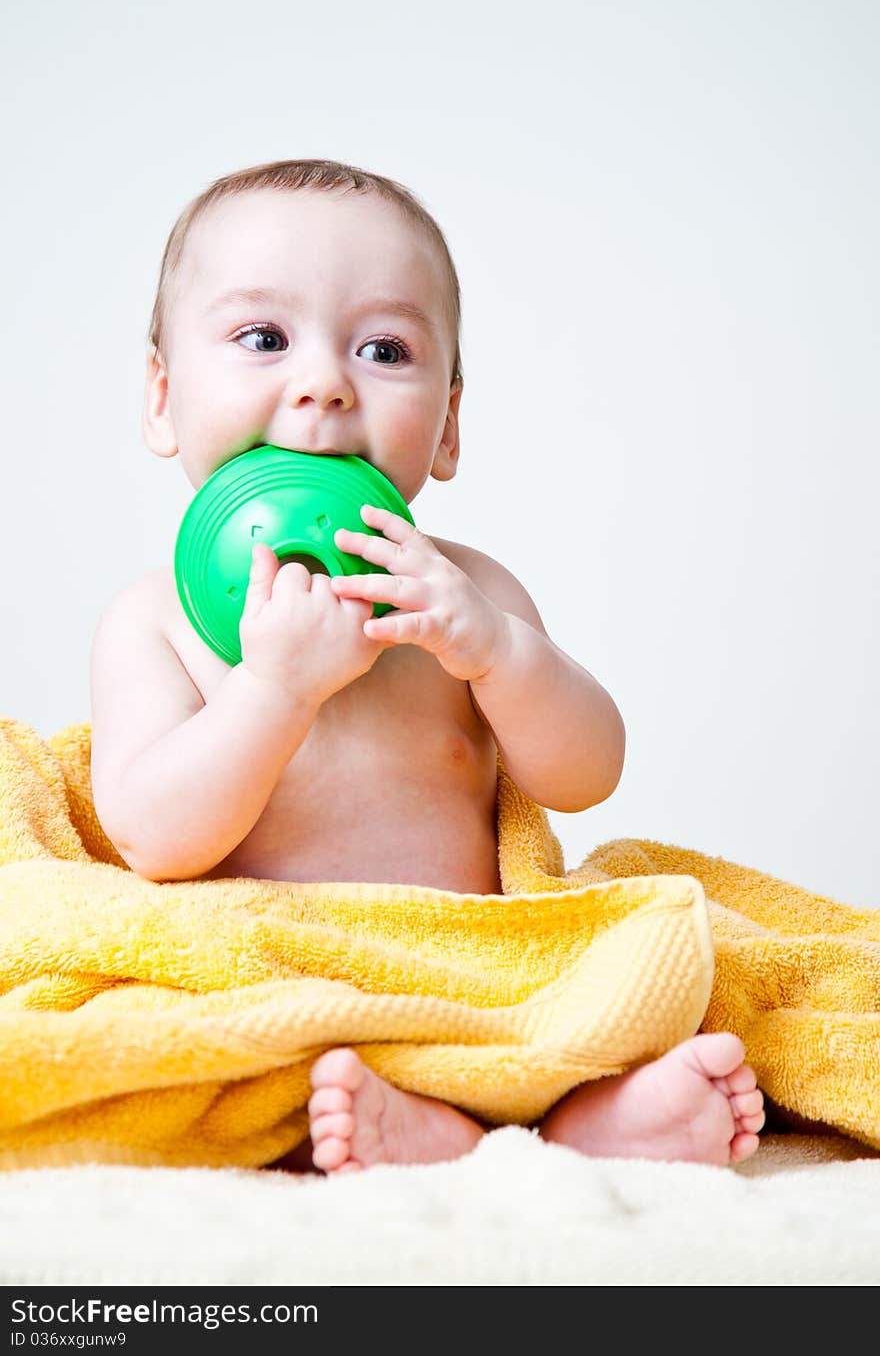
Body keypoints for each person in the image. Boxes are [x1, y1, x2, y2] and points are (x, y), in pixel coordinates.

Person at [89, 158, 765, 1174]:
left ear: (446, 426)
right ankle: (435, 1127)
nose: (323, 381)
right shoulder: (155, 622)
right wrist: (272, 691)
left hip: (471, 978)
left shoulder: (467, 595)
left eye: (383, 348)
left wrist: (494, 652)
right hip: (278, 979)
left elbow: (585, 773)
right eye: (263, 338)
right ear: (162, 396)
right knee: (161, 1023)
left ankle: (572, 1119)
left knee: (650, 938)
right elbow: (150, 839)